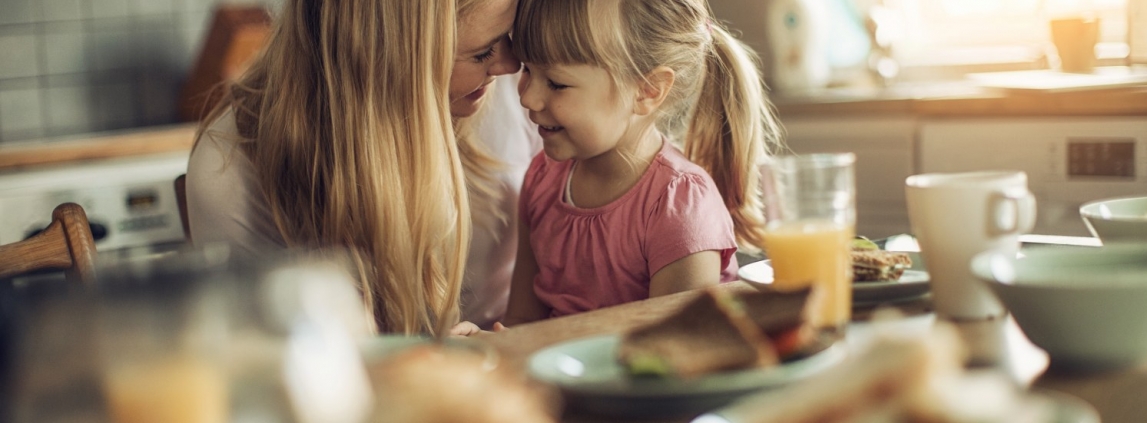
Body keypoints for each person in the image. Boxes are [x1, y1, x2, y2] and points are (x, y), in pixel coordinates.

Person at [186, 0, 540, 335]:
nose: (511, 65)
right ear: (389, 55)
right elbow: (269, 360)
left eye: (507, 37)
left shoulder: (526, 87)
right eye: (481, 54)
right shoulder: (229, 167)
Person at [500, 0, 782, 325]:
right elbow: (521, 322)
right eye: (527, 70)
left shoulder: (679, 205)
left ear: (648, 91)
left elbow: (666, 355)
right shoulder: (542, 177)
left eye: (556, 83)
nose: (527, 98)